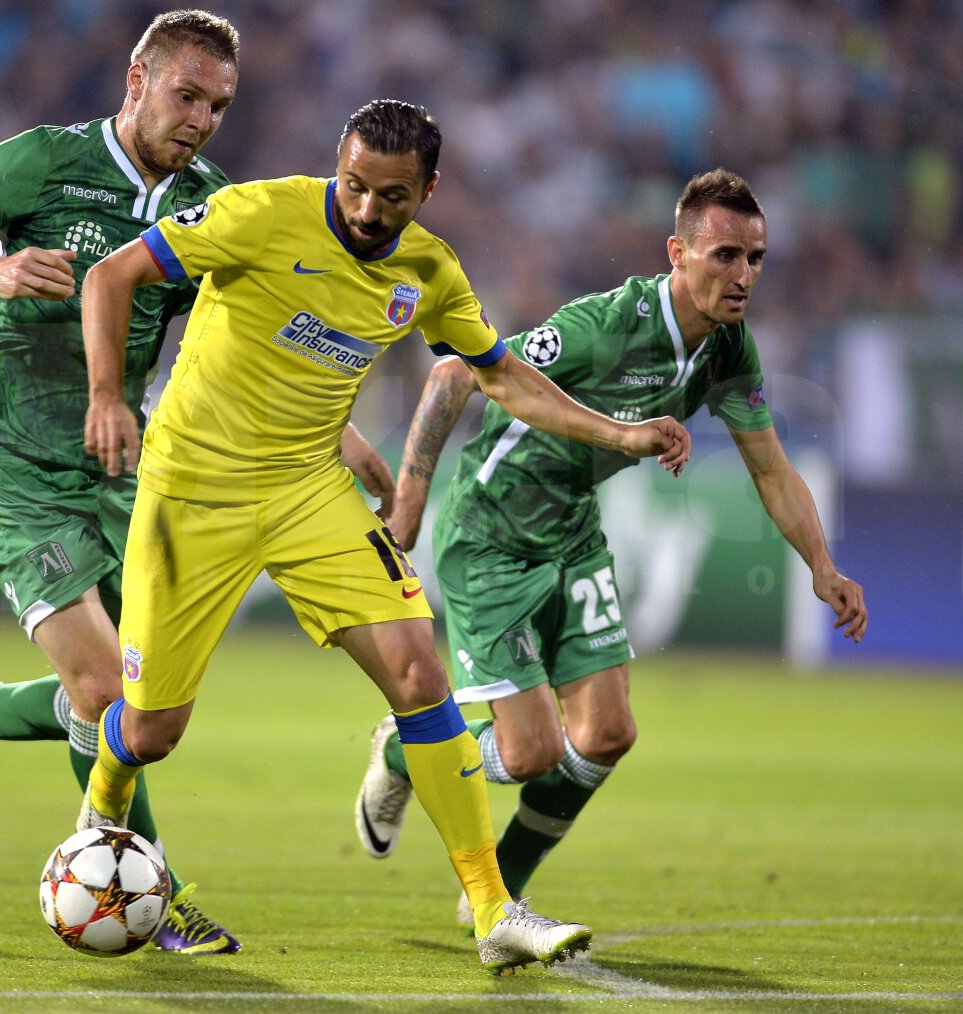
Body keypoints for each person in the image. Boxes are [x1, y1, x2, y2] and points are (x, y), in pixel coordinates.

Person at [78, 97, 691, 972]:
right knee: (151, 731)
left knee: (419, 671)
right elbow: (112, 276)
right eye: (356, 186)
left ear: (429, 190)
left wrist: (620, 433)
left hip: (308, 493)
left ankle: (492, 911)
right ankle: (101, 812)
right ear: (339, 163)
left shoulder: (430, 271)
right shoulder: (259, 213)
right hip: (192, 492)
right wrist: (108, 394)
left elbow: (500, 375)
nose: (368, 211)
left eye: (393, 197)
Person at [355, 168, 869, 931]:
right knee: (528, 754)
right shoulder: (605, 327)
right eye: (725, 255)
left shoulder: (728, 351)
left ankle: (494, 892)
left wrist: (822, 567)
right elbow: (457, 372)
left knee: (605, 734)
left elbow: (770, 467)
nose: (743, 275)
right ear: (678, 253)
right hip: (491, 533)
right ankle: (401, 750)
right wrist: (411, 497)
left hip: (572, 533)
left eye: (756, 258)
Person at [0, 8, 265, 955]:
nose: (202, 120)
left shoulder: (209, 203)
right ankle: (151, 890)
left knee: (143, 699)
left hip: (116, 466)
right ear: (137, 81)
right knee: (102, 687)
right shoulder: (41, 163)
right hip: (9, 458)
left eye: (219, 105)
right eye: (187, 96)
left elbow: (235, 344)